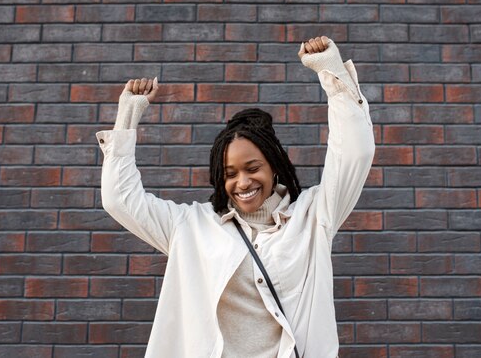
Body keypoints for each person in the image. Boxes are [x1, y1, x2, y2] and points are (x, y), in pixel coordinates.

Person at [96, 36, 375, 358]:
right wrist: (128, 115)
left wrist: (331, 72)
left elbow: (354, 154)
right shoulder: (189, 227)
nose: (242, 182)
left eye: (252, 168)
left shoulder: (314, 217)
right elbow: (119, 199)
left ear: (274, 167)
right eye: (229, 174)